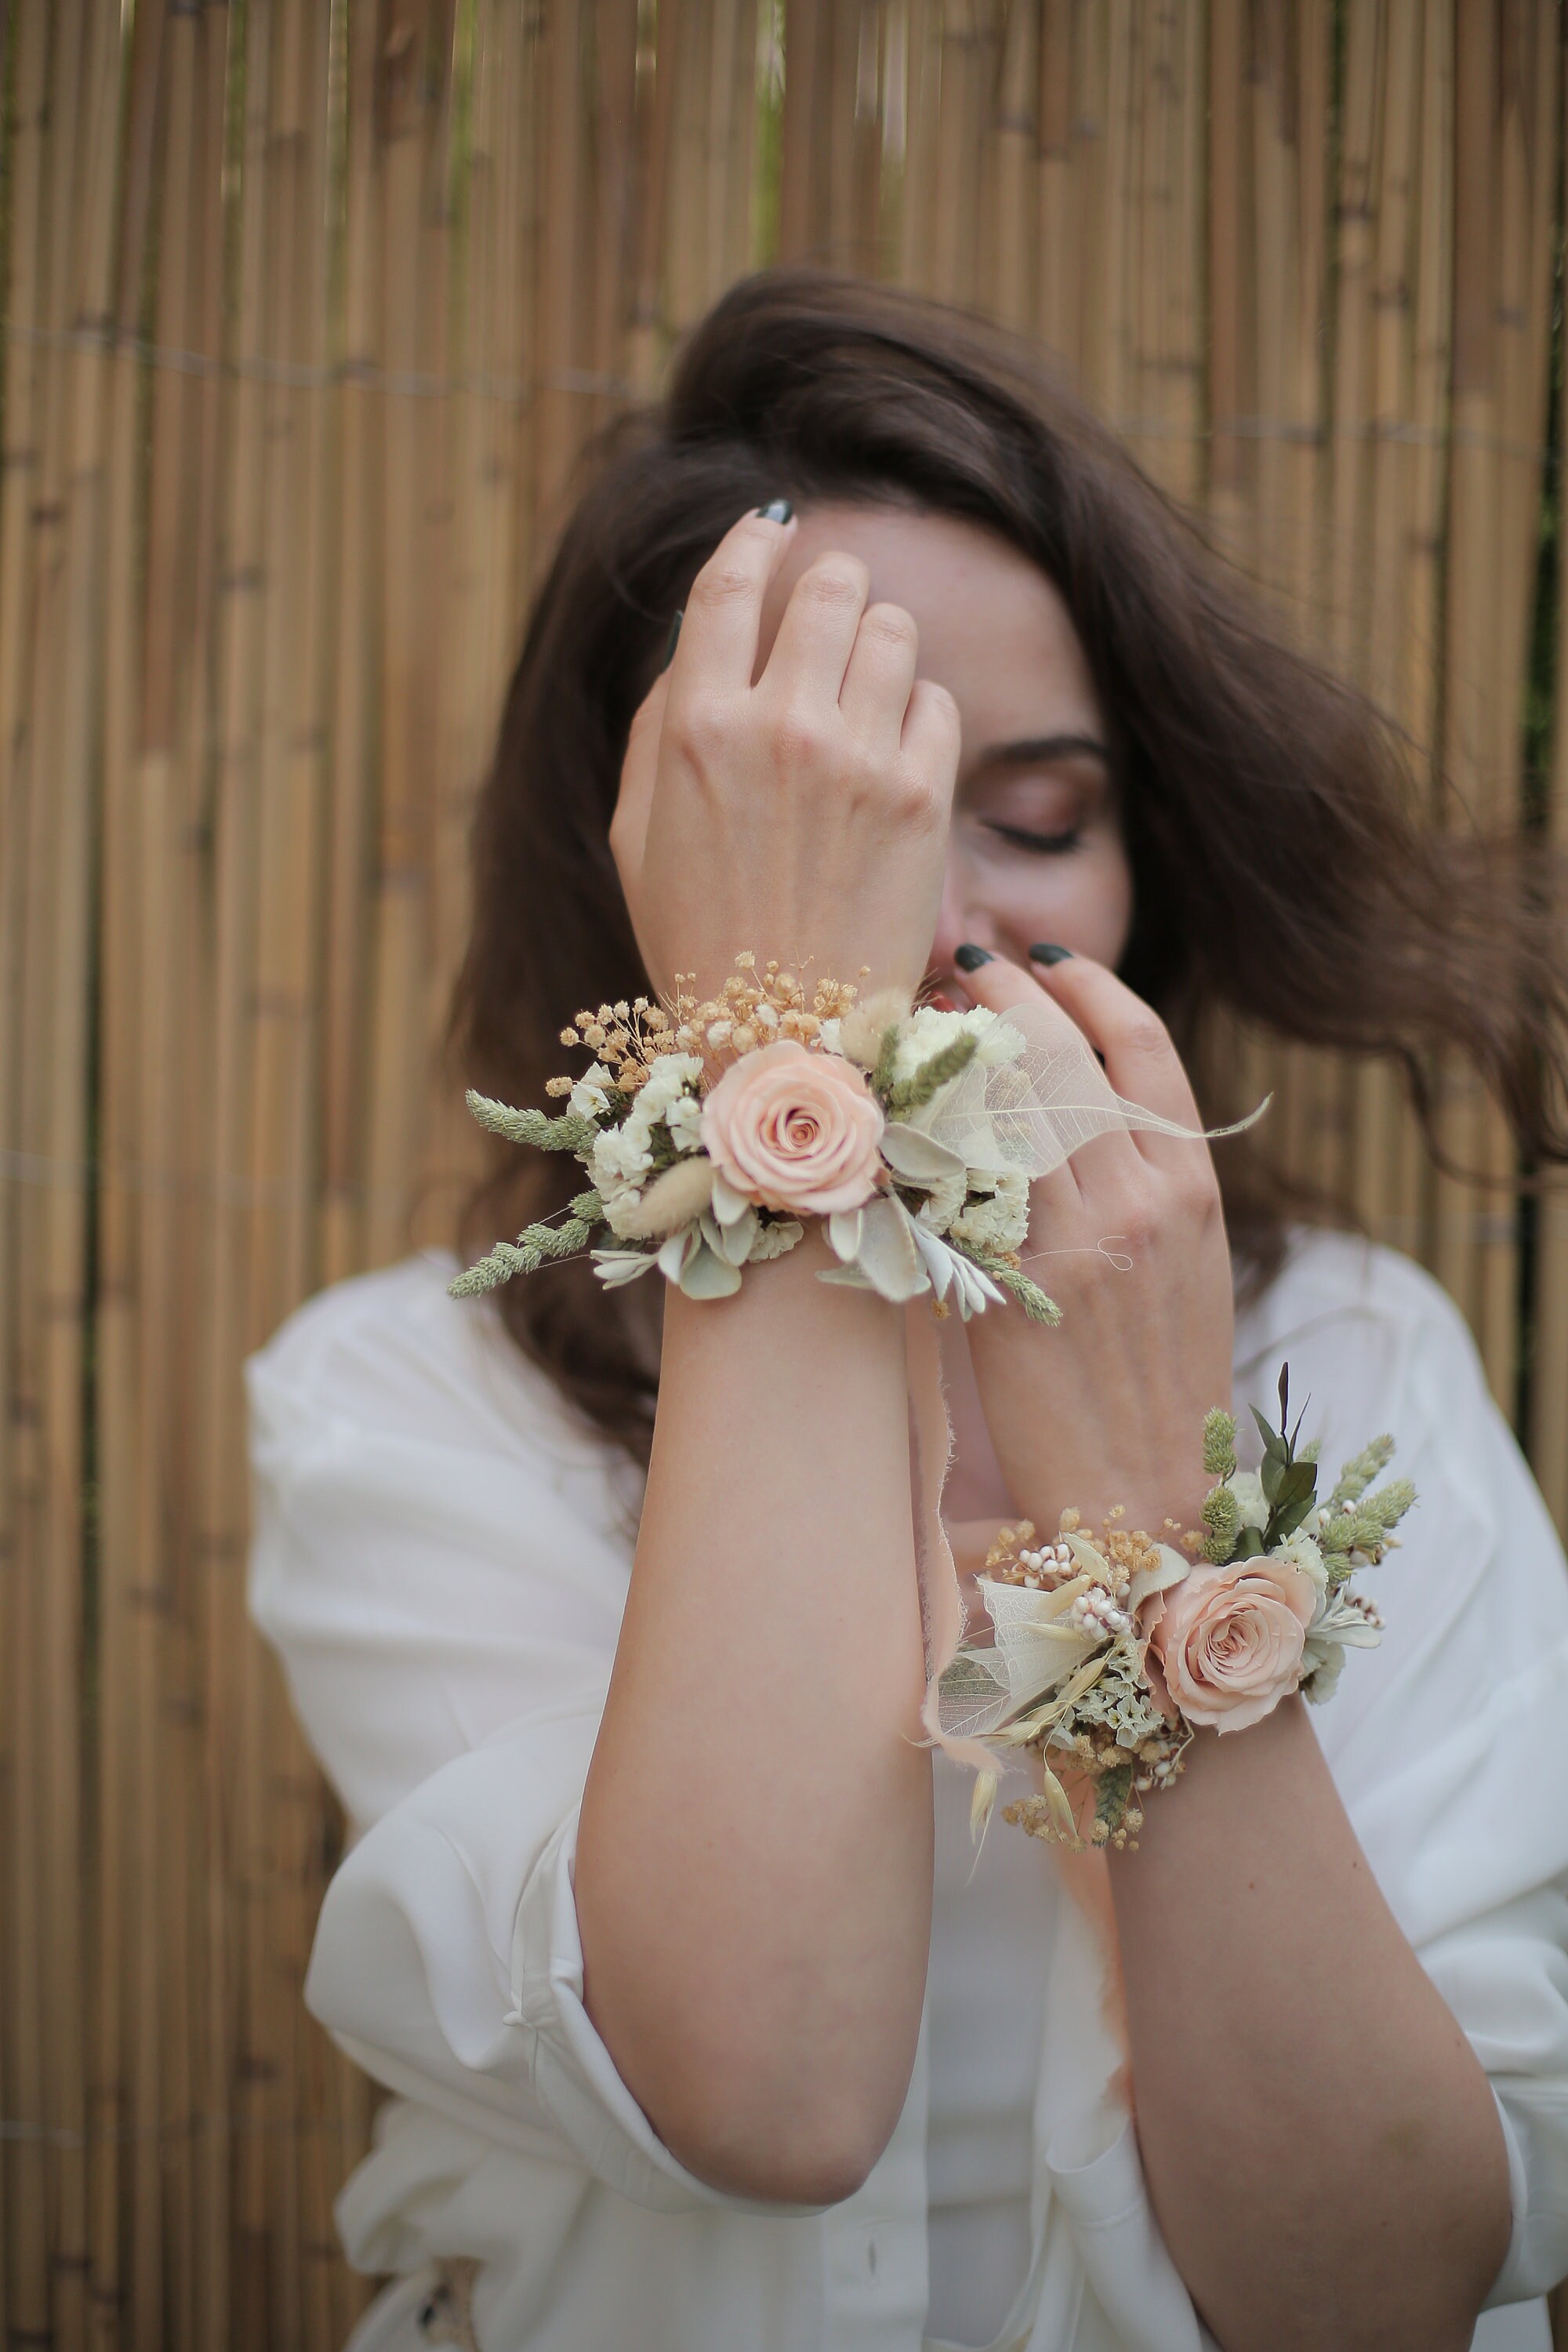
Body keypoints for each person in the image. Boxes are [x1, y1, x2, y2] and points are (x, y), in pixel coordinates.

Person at [248, 271, 1568, 2352]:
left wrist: (1146, 1500)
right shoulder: (407, 1400)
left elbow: (1385, 2289)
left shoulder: (1366, 1359)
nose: (950, 914)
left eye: (1040, 816)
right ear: (642, 866)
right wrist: (786, 1084)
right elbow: (760, 2091)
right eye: (836, 820)